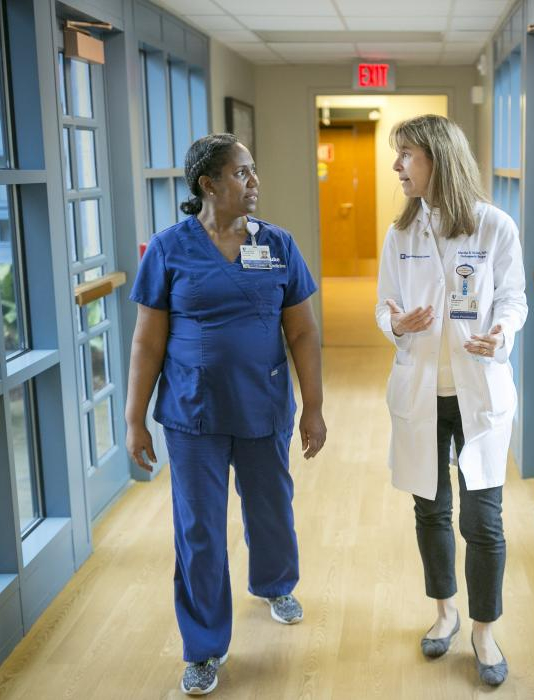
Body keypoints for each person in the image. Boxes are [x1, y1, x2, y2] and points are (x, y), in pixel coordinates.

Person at [125, 133, 326, 696]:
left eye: (253, 170)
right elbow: (146, 342)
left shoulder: (278, 245)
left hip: (262, 404)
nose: (254, 181)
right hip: (192, 414)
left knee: (270, 508)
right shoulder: (169, 249)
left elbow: (304, 332)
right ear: (208, 184)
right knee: (199, 531)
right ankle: (203, 647)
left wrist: (314, 407)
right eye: (241, 173)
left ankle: (276, 583)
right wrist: (134, 418)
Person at [375, 115, 528, 686]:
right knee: (431, 508)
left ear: (437, 158)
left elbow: (514, 300)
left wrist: (502, 334)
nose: (398, 166)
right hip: (421, 390)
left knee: (483, 520)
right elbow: (384, 304)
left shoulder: (494, 227)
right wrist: (398, 323)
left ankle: (484, 630)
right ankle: (445, 612)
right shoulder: (401, 234)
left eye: (406, 155)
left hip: (478, 391)